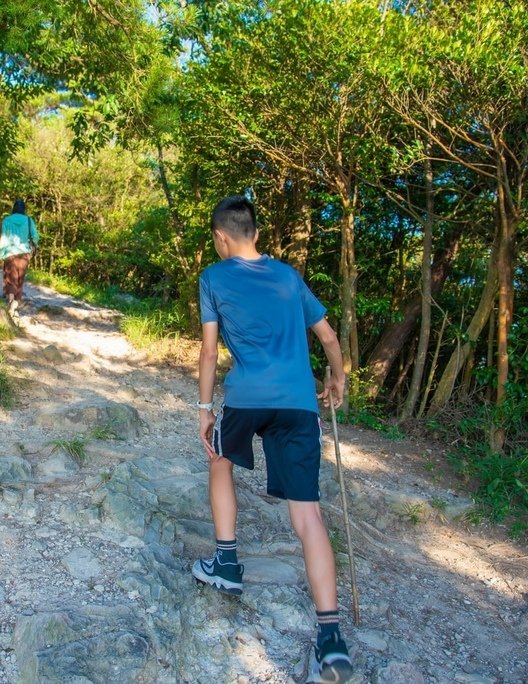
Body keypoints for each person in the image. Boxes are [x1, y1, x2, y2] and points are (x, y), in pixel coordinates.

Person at [193, 195, 352, 683]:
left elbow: (208, 348)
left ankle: (226, 561)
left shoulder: (214, 278)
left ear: (222, 237)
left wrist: (203, 409)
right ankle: (331, 639)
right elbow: (326, 336)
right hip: (299, 401)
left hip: (248, 395)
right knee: (307, 514)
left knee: (219, 457)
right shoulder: (287, 276)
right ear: (255, 233)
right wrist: (337, 379)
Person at [0, 199, 39, 317]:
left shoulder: (6, 220)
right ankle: (16, 303)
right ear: (24, 209)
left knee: (11, 278)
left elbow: (4, 237)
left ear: (13, 208)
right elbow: (35, 236)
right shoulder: (29, 220)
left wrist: (0, 254)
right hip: (24, 254)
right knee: (20, 278)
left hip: (10, 253)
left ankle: (10, 302)